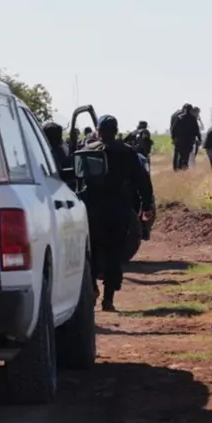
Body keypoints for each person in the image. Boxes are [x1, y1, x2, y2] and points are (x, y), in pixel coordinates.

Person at [81, 115, 155, 311]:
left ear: (98, 131)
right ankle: (109, 299)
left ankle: (92, 287)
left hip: (92, 211)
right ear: (116, 131)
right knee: (115, 253)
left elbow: (77, 181)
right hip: (118, 210)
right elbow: (142, 181)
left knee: (91, 251)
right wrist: (146, 206)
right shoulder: (127, 153)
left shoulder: (87, 151)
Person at [171, 104, 201, 170]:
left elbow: (174, 129)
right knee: (186, 156)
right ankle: (184, 167)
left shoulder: (179, 117)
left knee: (179, 154)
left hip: (179, 140)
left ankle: (177, 168)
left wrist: (173, 138)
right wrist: (199, 139)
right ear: (190, 110)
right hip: (189, 141)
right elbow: (197, 130)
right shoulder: (193, 119)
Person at [170, 104, 192, 171]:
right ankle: (182, 167)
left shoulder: (174, 114)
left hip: (176, 137)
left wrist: (173, 137)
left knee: (177, 153)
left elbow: (172, 127)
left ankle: (175, 168)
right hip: (183, 137)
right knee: (184, 153)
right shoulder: (181, 116)